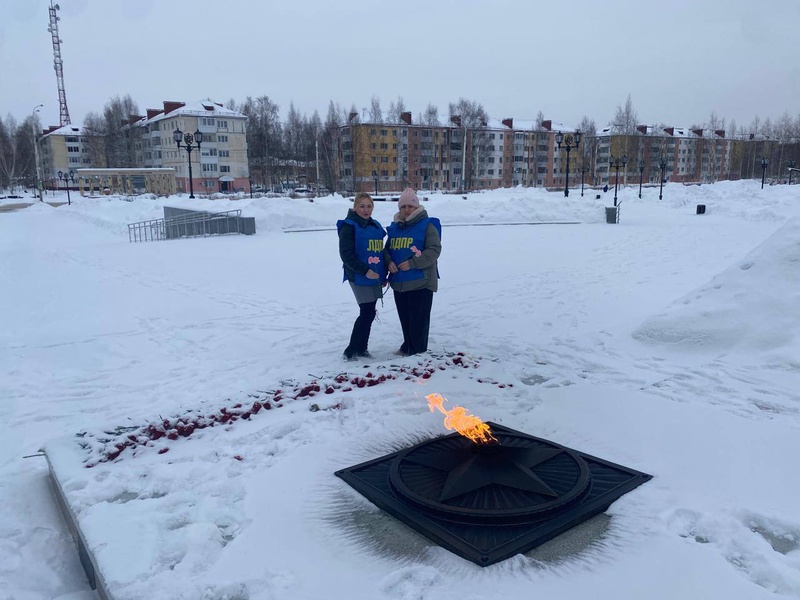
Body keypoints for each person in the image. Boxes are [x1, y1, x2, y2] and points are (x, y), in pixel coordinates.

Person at [385, 188, 442, 356]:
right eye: (403, 207)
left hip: (421, 282)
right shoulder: (395, 228)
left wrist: (412, 263)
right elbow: (387, 250)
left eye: (410, 206)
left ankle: (417, 353)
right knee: (405, 319)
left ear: (416, 207)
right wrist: (389, 262)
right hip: (400, 282)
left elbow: (434, 250)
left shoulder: (427, 225)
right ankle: (408, 345)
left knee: (419, 320)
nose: (407, 210)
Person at [337, 192, 387, 360]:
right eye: (362, 206)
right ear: (355, 207)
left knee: (370, 312)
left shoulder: (375, 225)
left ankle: (362, 348)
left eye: (369, 206)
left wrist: (383, 273)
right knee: (366, 312)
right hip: (359, 275)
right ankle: (351, 350)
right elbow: (346, 254)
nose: (366, 210)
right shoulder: (349, 226)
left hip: (375, 276)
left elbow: (381, 251)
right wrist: (365, 270)